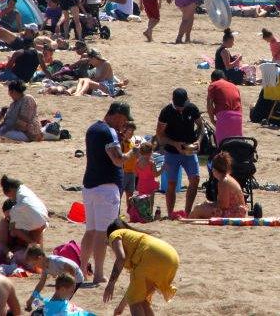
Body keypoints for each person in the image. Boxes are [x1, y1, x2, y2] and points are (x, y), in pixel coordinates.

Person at [80, 102, 131, 285]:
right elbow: (117, 160)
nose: (123, 124)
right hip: (106, 188)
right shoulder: (108, 131)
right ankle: (98, 273)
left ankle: (82, 269)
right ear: (116, 115)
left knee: (90, 231)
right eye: (123, 120)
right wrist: (133, 153)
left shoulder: (93, 129)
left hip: (90, 185)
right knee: (103, 233)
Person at [103, 219, 179, 316]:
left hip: (153, 258)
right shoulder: (134, 243)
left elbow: (121, 258)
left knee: (135, 302)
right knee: (142, 300)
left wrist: (111, 284)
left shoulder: (114, 234)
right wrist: (120, 307)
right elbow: (133, 289)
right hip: (172, 258)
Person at [156, 89, 204, 219]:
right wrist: (175, 144)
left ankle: (187, 212)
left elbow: (201, 126)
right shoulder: (166, 112)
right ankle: (170, 213)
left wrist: (198, 141)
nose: (180, 110)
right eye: (178, 107)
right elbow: (160, 136)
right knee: (171, 182)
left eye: (182, 107)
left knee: (195, 179)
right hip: (172, 152)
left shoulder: (192, 108)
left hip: (189, 150)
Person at [22, 244, 85, 311]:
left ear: (40, 258)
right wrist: (31, 299)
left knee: (57, 305)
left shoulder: (56, 262)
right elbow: (41, 284)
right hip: (63, 282)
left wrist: (67, 289)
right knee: (46, 303)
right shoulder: (44, 266)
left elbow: (71, 268)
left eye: (34, 264)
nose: (34, 267)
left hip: (75, 280)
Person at [0, 176, 48, 258]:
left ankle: (34, 246)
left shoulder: (18, 211)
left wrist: (33, 245)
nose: (8, 218)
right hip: (42, 216)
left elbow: (13, 231)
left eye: (10, 196)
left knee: (15, 229)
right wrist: (8, 252)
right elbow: (2, 243)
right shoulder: (23, 192)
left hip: (38, 222)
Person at [190, 152, 248, 218]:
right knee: (201, 206)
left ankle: (187, 222)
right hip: (238, 211)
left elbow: (224, 206)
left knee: (198, 209)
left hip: (234, 214)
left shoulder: (223, 181)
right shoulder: (228, 178)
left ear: (214, 169)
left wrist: (210, 204)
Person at [206, 70, 243, 145]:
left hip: (224, 115)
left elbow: (209, 104)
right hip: (238, 116)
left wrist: (212, 119)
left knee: (222, 145)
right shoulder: (234, 86)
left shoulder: (213, 85)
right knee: (236, 144)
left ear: (212, 79)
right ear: (224, 78)